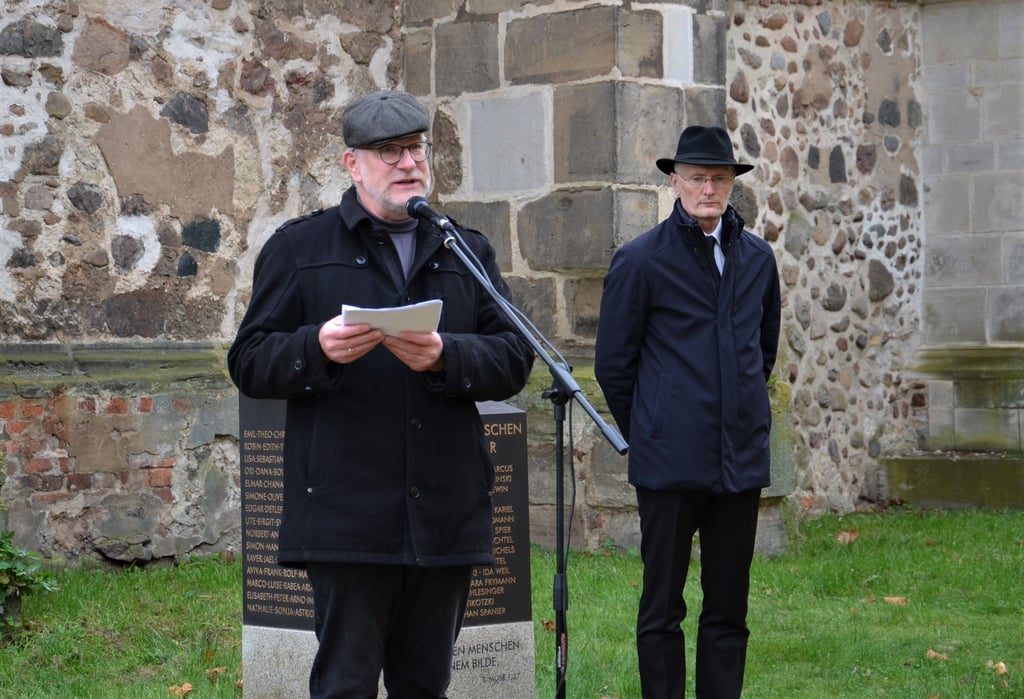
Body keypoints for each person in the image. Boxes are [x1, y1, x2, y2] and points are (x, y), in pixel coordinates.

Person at [228, 89, 535, 699]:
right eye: (388, 152)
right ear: (353, 164)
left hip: (444, 510)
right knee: (345, 684)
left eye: (416, 149)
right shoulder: (300, 249)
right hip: (347, 515)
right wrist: (316, 348)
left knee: (425, 685)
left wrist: (450, 355)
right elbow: (250, 360)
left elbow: (514, 355)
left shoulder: (464, 249)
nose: (408, 163)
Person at [594, 125, 781, 698]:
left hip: (739, 463)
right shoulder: (641, 261)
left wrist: (739, 414)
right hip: (669, 464)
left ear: (732, 185)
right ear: (674, 183)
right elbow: (613, 365)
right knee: (662, 608)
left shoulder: (757, 258)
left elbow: (763, 350)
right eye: (698, 178)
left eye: (719, 179)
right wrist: (652, 430)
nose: (709, 189)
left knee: (729, 608)